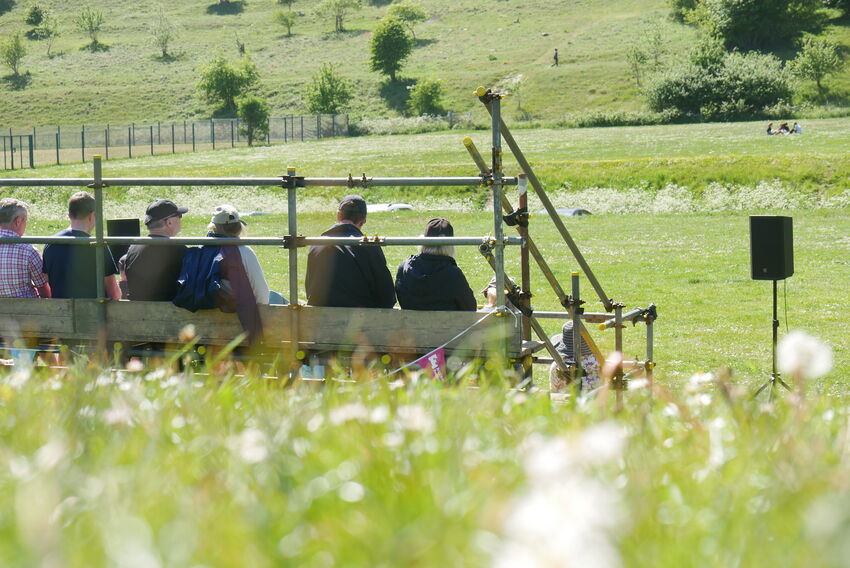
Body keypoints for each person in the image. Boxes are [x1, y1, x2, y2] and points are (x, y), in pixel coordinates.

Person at [306, 194, 395, 308]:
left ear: (338, 216)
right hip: (362, 321)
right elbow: (387, 296)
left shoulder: (316, 244)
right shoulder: (369, 246)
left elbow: (310, 291)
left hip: (320, 321)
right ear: (363, 220)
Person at [42, 191, 120, 300]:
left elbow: (47, 284)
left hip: (62, 313)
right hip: (93, 313)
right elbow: (114, 294)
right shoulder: (97, 246)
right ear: (92, 215)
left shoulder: (50, 243)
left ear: (69, 215)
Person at [395, 218, 476, 311]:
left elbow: (402, 299)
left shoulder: (404, 267)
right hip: (448, 325)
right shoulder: (453, 274)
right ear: (450, 245)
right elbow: (470, 308)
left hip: (410, 324)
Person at [207, 204, 281, 305]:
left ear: (213, 227)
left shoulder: (202, 248)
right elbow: (262, 295)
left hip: (208, 306)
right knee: (279, 299)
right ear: (239, 227)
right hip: (240, 310)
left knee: (275, 295)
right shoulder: (244, 251)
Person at [123, 199, 188, 301]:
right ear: (169, 222)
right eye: (179, 216)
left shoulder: (134, 247)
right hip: (169, 312)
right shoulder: (178, 249)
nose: (180, 220)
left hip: (136, 311)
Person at [0, 198, 50, 298]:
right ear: (18, 221)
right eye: (25, 221)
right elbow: (43, 288)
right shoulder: (28, 250)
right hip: (26, 310)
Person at [549, 320, 600, 393]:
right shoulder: (597, 361)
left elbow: (553, 391)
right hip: (594, 402)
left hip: (564, 402)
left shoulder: (556, 366)